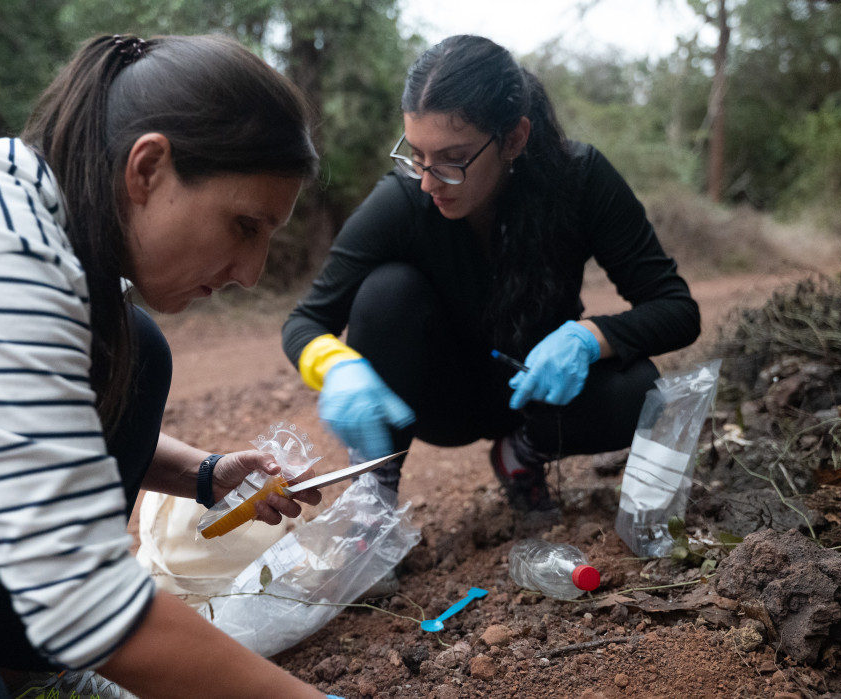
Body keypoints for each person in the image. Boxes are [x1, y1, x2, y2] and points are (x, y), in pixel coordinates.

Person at [0, 34, 332, 699]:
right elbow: (85, 600)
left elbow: (41, 425)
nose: (252, 273)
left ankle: (28, 670)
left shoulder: (41, 226)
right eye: (243, 226)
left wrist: (203, 474)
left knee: (130, 352)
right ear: (147, 168)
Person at [282, 34, 701, 513]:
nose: (428, 179)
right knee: (386, 290)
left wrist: (590, 338)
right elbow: (305, 323)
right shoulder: (402, 202)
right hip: (436, 402)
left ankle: (521, 454)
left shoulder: (580, 180)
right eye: (417, 153)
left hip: (537, 396)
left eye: (453, 159)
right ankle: (374, 503)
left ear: (514, 139)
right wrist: (337, 367)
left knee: (638, 389)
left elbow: (677, 310)